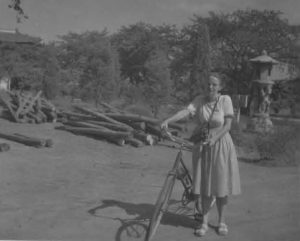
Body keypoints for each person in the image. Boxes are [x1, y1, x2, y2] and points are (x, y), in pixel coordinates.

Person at [161, 74, 241, 237]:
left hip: (220, 144)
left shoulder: (225, 100)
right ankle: (204, 222)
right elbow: (186, 111)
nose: (210, 87)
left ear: (220, 86)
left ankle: (221, 221)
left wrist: (214, 138)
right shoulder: (200, 99)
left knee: (220, 186)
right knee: (205, 186)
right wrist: (168, 120)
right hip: (203, 145)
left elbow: (227, 126)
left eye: (214, 84)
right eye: (208, 84)